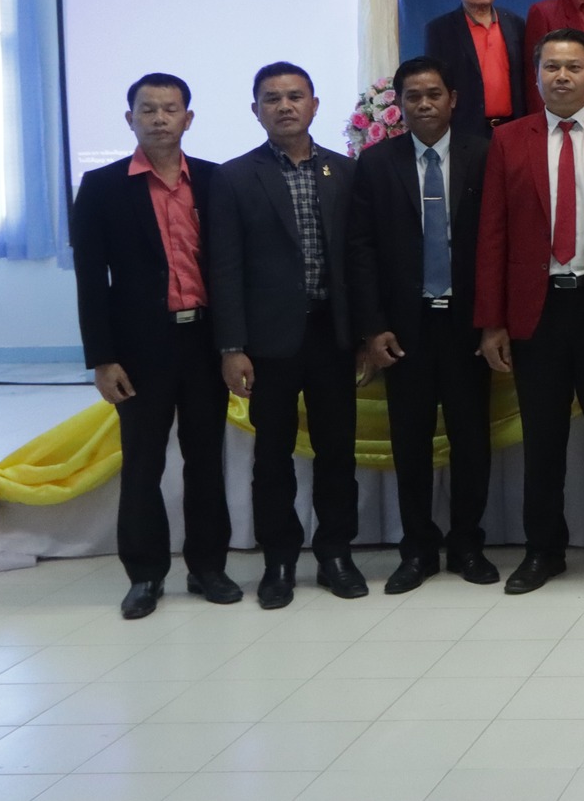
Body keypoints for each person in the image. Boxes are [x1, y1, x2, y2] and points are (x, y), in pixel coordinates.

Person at [475, 28, 584, 595]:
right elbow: (493, 233)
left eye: (574, 66)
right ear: (535, 76)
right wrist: (493, 321)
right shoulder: (509, 140)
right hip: (537, 310)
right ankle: (542, 550)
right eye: (551, 66)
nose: (562, 76)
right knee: (543, 438)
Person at [72, 73, 237, 619]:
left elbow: (232, 267)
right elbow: (91, 280)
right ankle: (145, 575)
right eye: (148, 109)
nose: (160, 118)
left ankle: (208, 568)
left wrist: (235, 344)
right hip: (141, 349)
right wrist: (102, 359)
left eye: (170, 109)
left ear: (188, 118)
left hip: (205, 341)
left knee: (205, 459)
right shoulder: (102, 186)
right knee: (143, 462)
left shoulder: (214, 180)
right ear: (130, 119)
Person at [208, 62, 363, 609]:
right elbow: (224, 268)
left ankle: (336, 553)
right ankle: (279, 561)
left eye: (295, 96)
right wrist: (231, 346)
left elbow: (359, 260)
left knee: (336, 451)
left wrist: (366, 334)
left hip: (333, 336)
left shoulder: (345, 171)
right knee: (272, 457)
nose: (285, 106)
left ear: (315, 105)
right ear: (256, 111)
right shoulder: (233, 178)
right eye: (272, 98)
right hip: (268, 342)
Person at [347, 56, 497, 593]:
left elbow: (498, 243)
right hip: (403, 330)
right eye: (413, 96)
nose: (425, 104)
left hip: (467, 324)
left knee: (471, 440)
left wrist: (493, 320)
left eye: (434, 94)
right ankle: (417, 550)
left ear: (452, 99)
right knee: (410, 443)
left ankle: (467, 544)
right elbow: (361, 250)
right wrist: (373, 328)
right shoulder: (376, 163)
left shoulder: (484, 155)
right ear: (400, 104)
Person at [423, 0, 528, 139]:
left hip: (513, 128)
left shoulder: (515, 24)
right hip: (464, 132)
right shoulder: (440, 30)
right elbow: (435, 84)